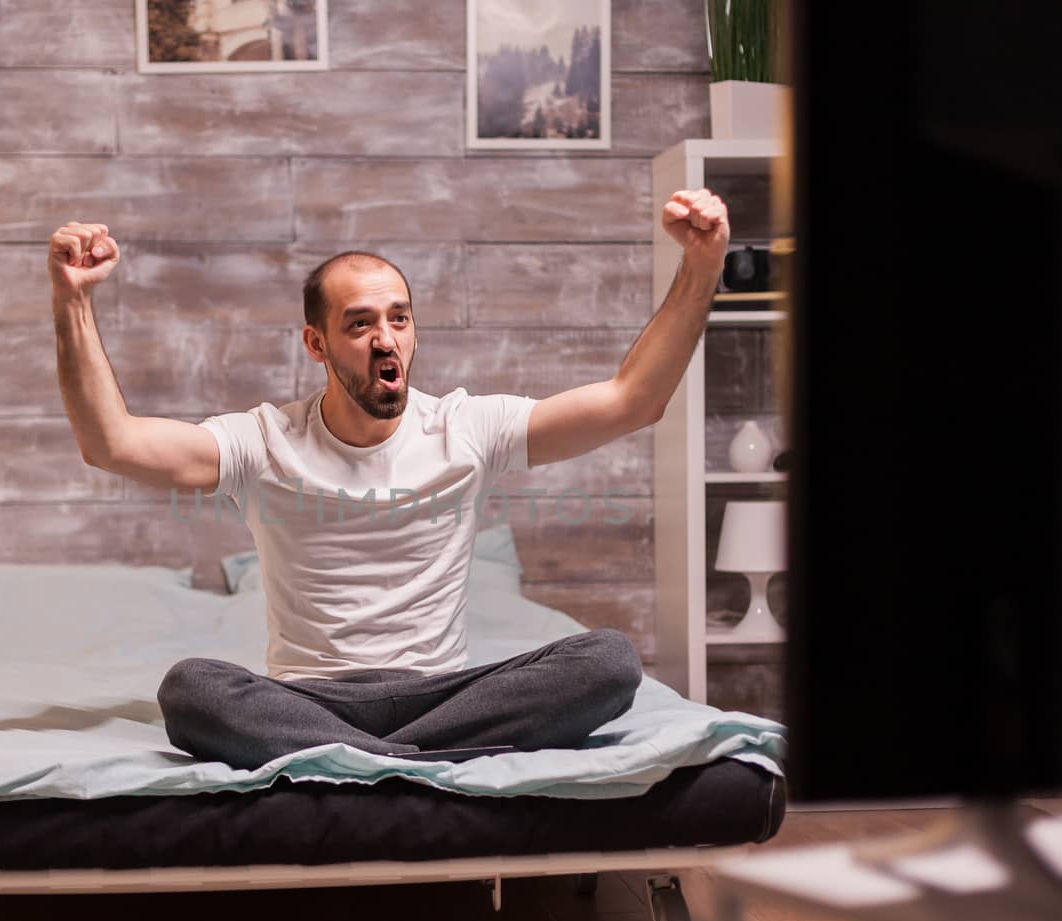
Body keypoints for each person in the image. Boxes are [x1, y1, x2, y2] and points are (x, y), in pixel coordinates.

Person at [49, 190, 731, 770]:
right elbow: (111, 442)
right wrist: (72, 301)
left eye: (398, 318)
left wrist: (701, 264)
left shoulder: (467, 427)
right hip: (309, 701)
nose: (386, 339)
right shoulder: (262, 440)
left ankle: (354, 762)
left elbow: (632, 400)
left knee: (608, 660)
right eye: (360, 323)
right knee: (193, 689)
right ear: (316, 343)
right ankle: (421, 765)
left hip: (446, 695)